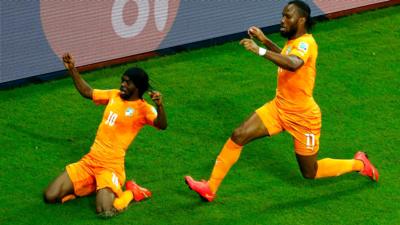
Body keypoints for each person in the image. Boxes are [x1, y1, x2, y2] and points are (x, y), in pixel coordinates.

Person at [185, 0, 379, 202]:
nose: (282, 20)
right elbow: (287, 56)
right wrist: (265, 40)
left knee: (310, 172)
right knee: (239, 135)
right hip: (279, 108)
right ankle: (210, 187)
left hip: (304, 118)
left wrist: (259, 50)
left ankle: (360, 164)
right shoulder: (294, 42)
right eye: (283, 15)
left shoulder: (307, 43)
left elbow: (294, 64)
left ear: (301, 20)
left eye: (288, 16)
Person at [44, 53, 167, 217]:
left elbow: (161, 125)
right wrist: (72, 69)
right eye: (122, 80)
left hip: (111, 167)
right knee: (50, 196)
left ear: (137, 87)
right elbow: (87, 91)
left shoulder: (144, 109)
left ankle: (132, 193)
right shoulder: (113, 95)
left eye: (127, 82)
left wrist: (159, 106)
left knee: (105, 211)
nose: (122, 84)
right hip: (90, 161)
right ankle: (91, 186)